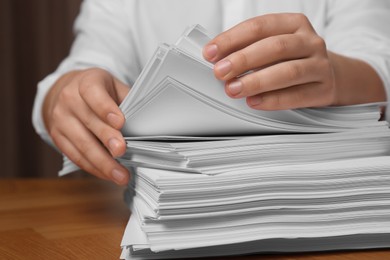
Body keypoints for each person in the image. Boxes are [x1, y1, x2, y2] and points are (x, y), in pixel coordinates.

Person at [33, 0, 390, 185]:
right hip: (167, 205)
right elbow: (87, 64)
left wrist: (336, 74)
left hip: (326, 197)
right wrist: (65, 94)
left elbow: (378, 57)